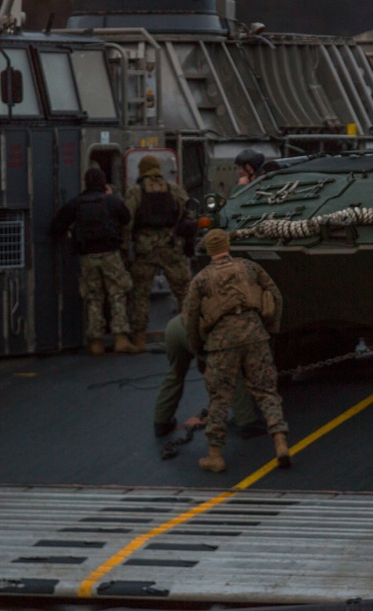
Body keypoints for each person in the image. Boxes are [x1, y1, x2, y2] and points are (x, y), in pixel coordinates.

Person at [183, 228, 290, 472]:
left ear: (209, 251)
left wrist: (196, 344)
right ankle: (281, 442)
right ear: (227, 246)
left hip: (222, 341)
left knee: (220, 396)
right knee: (266, 390)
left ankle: (215, 455)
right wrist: (271, 328)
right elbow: (275, 295)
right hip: (254, 333)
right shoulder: (249, 267)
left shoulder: (201, 279)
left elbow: (190, 316)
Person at [51, 167, 139, 355]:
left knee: (93, 297)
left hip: (87, 257)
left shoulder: (76, 203)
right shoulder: (111, 201)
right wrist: (110, 196)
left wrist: (68, 233)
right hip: (110, 255)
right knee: (117, 294)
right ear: (104, 183)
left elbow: (56, 224)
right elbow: (126, 218)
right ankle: (121, 339)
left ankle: (96, 342)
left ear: (86, 183)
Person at [124, 154, 194, 350]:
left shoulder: (135, 191)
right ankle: (190, 335)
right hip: (170, 248)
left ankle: (139, 340)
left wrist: (125, 248)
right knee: (185, 292)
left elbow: (127, 222)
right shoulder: (173, 189)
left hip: (145, 251)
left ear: (142, 170)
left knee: (140, 295)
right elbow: (190, 212)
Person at [154, 314, 262, 438]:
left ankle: (161, 422)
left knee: (175, 373)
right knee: (231, 372)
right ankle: (247, 422)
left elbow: (203, 365)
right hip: (202, 331)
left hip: (175, 326)